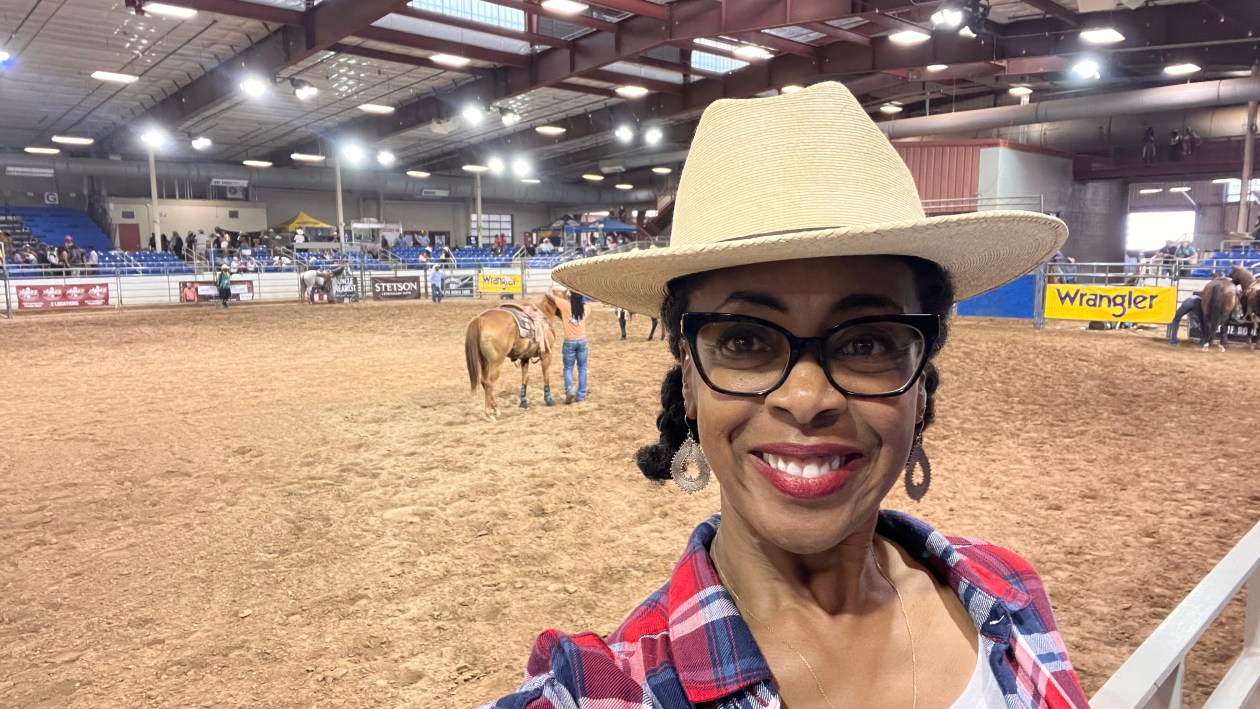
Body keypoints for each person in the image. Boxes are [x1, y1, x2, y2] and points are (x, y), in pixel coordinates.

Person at [485, 83, 1087, 709]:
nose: (806, 398)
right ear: (689, 377)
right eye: (744, 341)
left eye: (867, 342)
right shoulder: (601, 691)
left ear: (921, 376)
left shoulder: (1008, 592)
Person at [553, 289, 589, 404]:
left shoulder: (565, 306)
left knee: (568, 368)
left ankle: (569, 391)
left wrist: (566, 295)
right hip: (582, 341)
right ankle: (581, 395)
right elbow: (586, 306)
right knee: (582, 368)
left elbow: (550, 295)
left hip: (569, 341)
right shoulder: (586, 309)